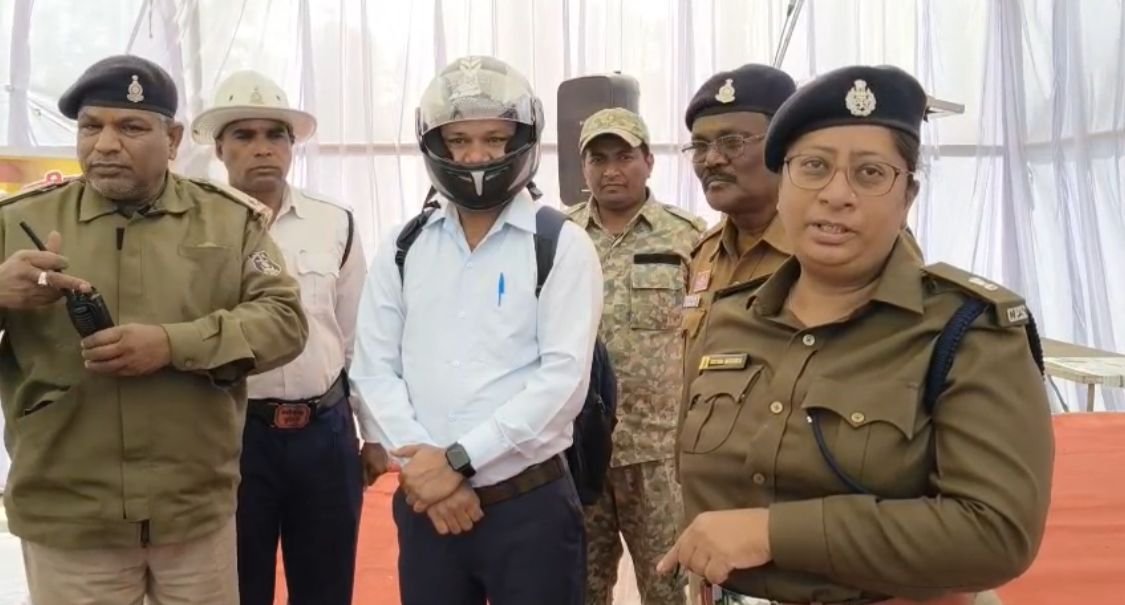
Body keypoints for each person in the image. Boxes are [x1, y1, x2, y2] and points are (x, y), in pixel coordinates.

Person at [657, 65, 1054, 605]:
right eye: (813, 167)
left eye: (870, 173)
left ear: (907, 196)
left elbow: (996, 533)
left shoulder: (966, 332)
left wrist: (772, 533)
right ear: (783, 185)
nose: (836, 194)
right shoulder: (729, 318)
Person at [0, 55, 308, 605]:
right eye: (91, 127)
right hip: (70, 522)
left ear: (172, 139)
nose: (106, 145)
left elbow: (284, 321)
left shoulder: (227, 221)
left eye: (131, 127)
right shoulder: (16, 222)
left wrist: (172, 344)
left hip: (192, 517)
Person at [350, 55, 603, 605]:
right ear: (435, 146)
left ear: (523, 140)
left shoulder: (560, 244)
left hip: (529, 508)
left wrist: (458, 462)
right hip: (426, 508)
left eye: (494, 139)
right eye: (460, 140)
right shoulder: (403, 246)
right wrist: (427, 474)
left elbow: (562, 382)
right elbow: (373, 369)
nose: (477, 156)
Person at [190, 70, 388, 605]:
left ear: (291, 146)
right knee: (238, 589)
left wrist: (373, 434)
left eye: (275, 135)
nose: (263, 148)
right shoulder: (192, 227)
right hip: (231, 435)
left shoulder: (335, 223)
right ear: (219, 148)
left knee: (326, 588)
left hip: (324, 433)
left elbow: (359, 337)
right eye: (244, 135)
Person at [568, 107, 704, 605]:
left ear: (649, 161)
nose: (611, 170)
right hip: (579, 449)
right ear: (584, 168)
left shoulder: (688, 236)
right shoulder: (559, 237)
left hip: (660, 452)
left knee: (670, 586)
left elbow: (712, 334)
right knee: (578, 587)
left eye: (624, 156)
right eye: (598, 159)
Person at [679, 64, 797, 376]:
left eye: (732, 142)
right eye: (699, 147)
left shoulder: (820, 252)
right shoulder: (704, 254)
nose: (711, 160)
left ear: (783, 147)